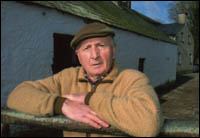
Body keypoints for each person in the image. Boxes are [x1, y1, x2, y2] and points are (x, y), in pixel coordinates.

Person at [7, 22, 164, 137]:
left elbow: (149, 124)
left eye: (101, 46)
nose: (94, 55)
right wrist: (61, 104)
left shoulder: (132, 79)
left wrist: (90, 98)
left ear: (113, 51)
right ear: (79, 56)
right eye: (86, 48)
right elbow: (17, 95)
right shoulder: (66, 77)